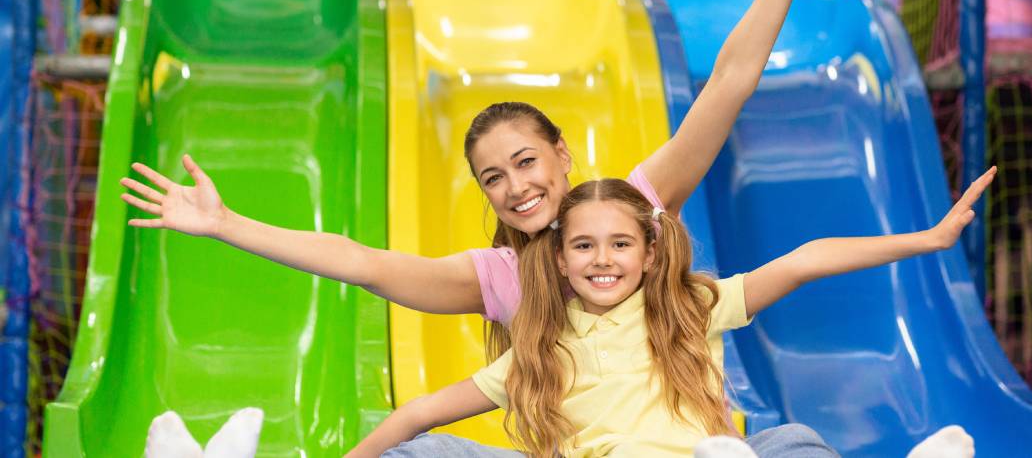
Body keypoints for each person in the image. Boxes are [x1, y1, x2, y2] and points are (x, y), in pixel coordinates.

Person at [120, 0, 861, 362]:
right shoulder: (499, 281)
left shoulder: (640, 203)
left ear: (563, 155)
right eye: (493, 177)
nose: (516, 187)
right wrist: (226, 225)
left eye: (526, 161)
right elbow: (361, 263)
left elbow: (728, 82)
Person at [348, 169, 996, 457]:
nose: (604, 260)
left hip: (703, 453)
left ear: (651, 250)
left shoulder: (691, 307)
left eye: (621, 244)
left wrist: (927, 239)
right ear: (561, 259)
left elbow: (803, 261)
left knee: (796, 442)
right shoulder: (541, 348)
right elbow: (420, 412)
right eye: (584, 246)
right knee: (427, 451)